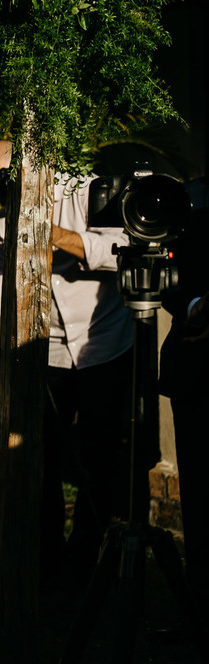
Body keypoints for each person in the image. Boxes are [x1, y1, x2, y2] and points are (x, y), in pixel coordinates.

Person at [0, 140, 135, 576]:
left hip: (105, 342)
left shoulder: (89, 189)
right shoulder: (4, 221)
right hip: (44, 347)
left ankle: (90, 558)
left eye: (5, 186)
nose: (1, 200)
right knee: (38, 455)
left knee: (100, 459)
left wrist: (52, 235)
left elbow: (123, 249)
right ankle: (44, 563)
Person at [161, 175, 209, 622]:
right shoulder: (190, 196)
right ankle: (200, 609)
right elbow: (169, 279)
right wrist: (195, 306)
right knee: (199, 494)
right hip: (198, 366)